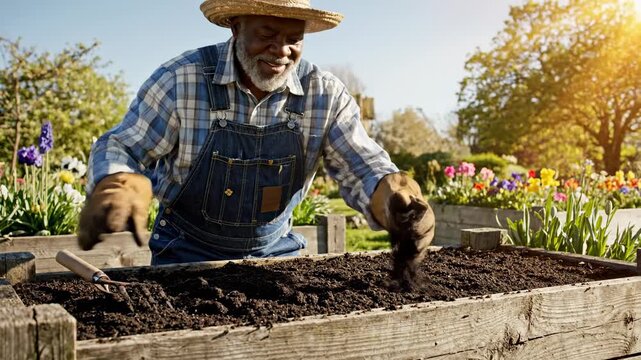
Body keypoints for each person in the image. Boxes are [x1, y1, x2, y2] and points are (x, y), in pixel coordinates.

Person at [78, 0, 435, 266]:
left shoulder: (323, 94)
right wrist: (119, 181)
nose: (281, 51)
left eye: (294, 39)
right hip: (184, 255)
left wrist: (391, 193)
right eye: (266, 35)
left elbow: (363, 165)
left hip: (276, 256)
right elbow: (123, 145)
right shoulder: (181, 79)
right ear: (236, 26)